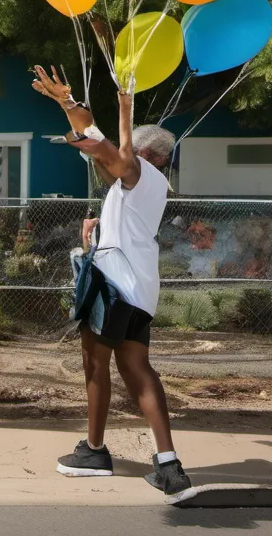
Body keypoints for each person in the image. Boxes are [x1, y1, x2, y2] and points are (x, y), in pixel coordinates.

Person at [31, 65, 193, 498]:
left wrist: (114, 108)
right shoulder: (148, 183)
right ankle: (168, 464)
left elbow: (111, 150)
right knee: (138, 369)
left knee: (95, 364)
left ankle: (95, 451)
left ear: (147, 154)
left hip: (115, 285)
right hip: (141, 288)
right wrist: (70, 107)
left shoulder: (140, 172)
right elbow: (97, 144)